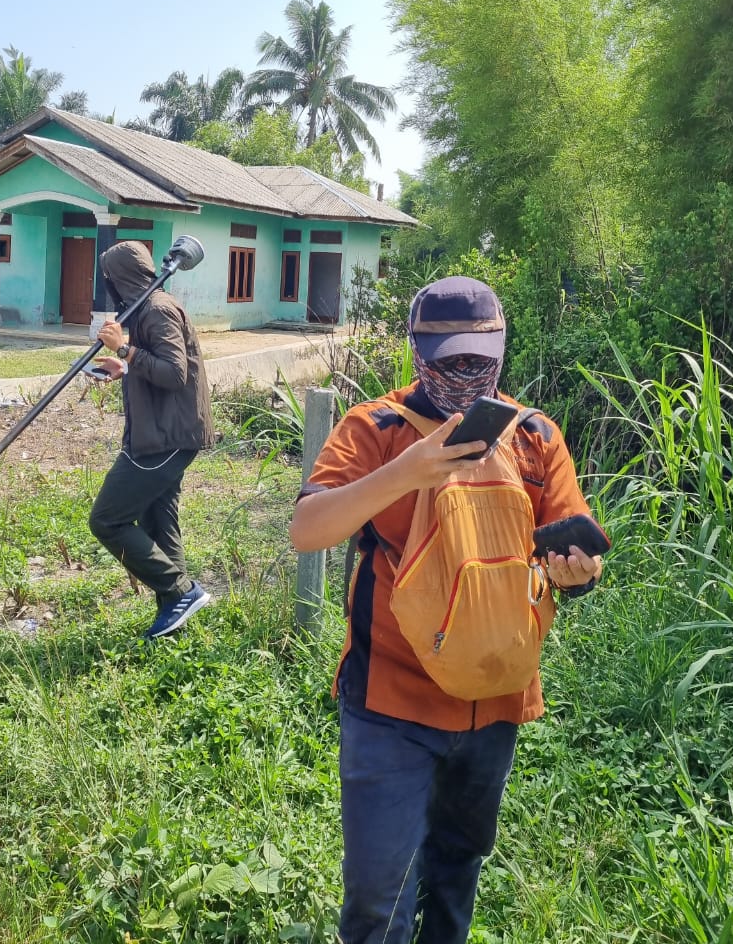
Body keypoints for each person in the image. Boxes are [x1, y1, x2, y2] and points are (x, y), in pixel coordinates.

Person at [290, 276, 604, 944]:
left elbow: (568, 531)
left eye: (478, 358)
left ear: (501, 350)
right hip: (390, 703)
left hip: (495, 701)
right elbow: (307, 529)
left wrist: (578, 573)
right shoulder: (376, 428)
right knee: (380, 900)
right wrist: (410, 470)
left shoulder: (533, 436)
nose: (463, 374)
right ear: (415, 352)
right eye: (446, 358)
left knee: (458, 872)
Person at [89, 239, 215, 639]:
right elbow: (155, 368)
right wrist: (122, 366)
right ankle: (175, 617)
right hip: (161, 431)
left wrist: (124, 349)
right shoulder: (147, 307)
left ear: (119, 277)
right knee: (159, 520)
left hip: (166, 437)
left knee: (107, 519)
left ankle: (181, 591)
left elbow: (175, 374)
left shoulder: (158, 309)